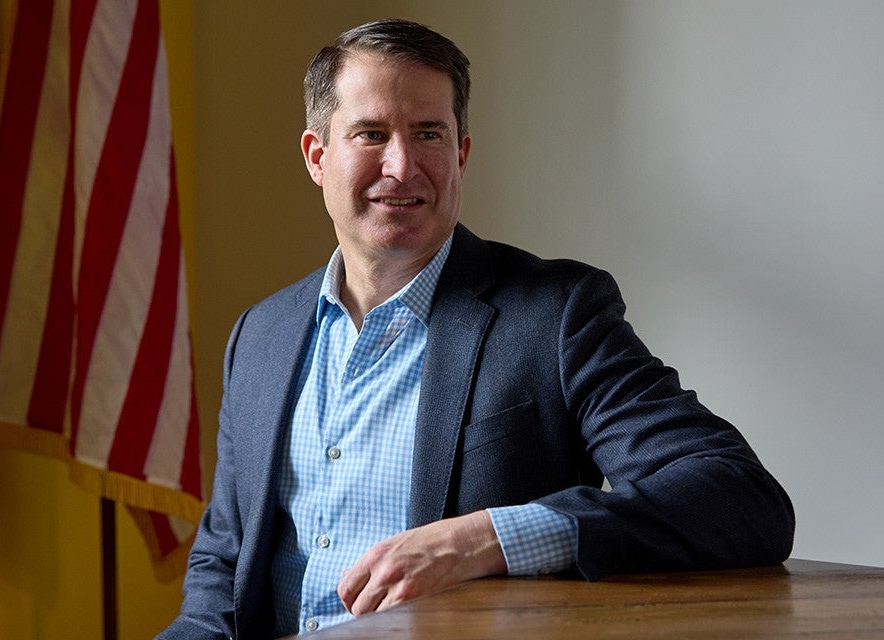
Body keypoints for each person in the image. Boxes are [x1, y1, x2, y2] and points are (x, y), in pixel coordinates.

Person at [158, 18, 794, 639]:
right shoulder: (260, 336)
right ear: (317, 157)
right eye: (372, 134)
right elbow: (222, 574)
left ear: (460, 154)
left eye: (428, 134)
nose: (402, 166)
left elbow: (741, 498)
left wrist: (487, 539)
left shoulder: (556, 315)